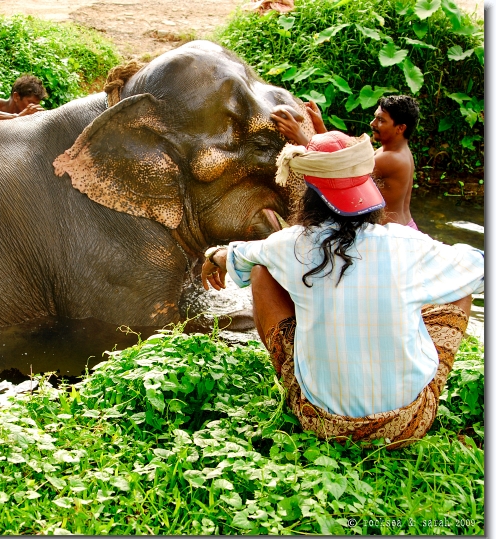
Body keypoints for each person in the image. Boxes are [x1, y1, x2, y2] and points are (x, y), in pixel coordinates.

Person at [201, 131, 484, 448]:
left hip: (320, 420)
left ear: (309, 195)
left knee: (261, 272)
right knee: (462, 283)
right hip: (407, 425)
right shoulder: (408, 244)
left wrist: (214, 256)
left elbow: (241, 255)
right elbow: (479, 267)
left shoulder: (288, 244)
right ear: (367, 188)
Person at [271, 95, 420, 229]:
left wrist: (298, 135)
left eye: (381, 120)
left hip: (390, 234)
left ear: (400, 128)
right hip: (403, 225)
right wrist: (320, 127)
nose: (372, 123)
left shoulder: (391, 158)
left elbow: (337, 168)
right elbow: (341, 157)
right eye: (375, 117)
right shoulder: (396, 151)